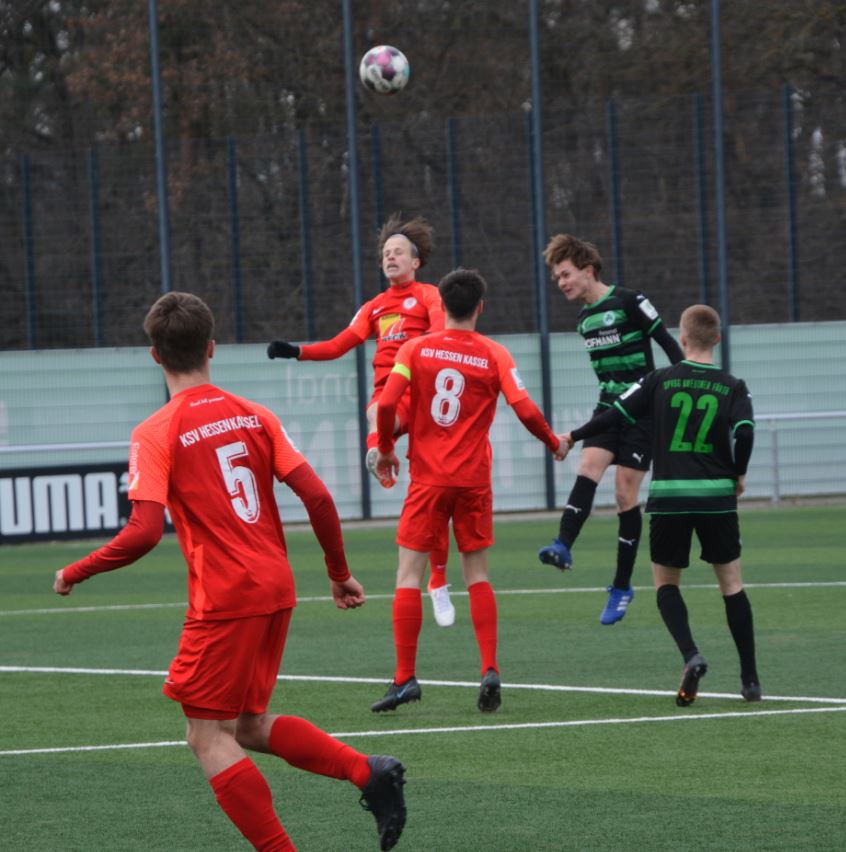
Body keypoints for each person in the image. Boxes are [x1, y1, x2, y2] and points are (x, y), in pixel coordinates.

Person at [53, 292, 407, 852]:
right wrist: (339, 572)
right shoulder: (255, 413)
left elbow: (144, 531)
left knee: (206, 737)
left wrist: (78, 568)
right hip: (275, 588)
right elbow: (316, 496)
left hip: (225, 598)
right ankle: (369, 772)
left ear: (154, 356)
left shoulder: (156, 431)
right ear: (211, 348)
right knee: (245, 724)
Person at [370, 268, 566, 714]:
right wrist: (554, 444)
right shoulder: (495, 353)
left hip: (428, 481)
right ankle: (489, 667)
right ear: (480, 306)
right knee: (478, 575)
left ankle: (404, 679)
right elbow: (526, 409)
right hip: (474, 480)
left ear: (442, 303)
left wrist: (384, 449)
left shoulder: (416, 348)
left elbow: (385, 404)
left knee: (408, 577)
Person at [559, 304, 760, 705]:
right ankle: (751, 681)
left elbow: (614, 415)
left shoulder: (658, 381)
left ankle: (691, 654)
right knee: (732, 585)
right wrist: (738, 473)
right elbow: (746, 433)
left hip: (669, 498)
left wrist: (573, 435)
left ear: (683, 339)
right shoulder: (733, 385)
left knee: (666, 585)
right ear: (716, 339)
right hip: (715, 497)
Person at [267, 213, 456, 629]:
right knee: (378, 409)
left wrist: (418, 351)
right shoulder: (374, 306)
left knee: (435, 492)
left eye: (398, 252)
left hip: (425, 395)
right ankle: (381, 450)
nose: (390, 258)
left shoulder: (427, 296)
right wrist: (295, 351)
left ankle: (438, 580)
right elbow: (338, 345)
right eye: (386, 253)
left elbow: (441, 331)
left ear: (416, 261)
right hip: (392, 395)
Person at [537, 234, 684, 625]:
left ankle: (621, 586)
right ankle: (562, 545)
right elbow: (610, 378)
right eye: (557, 278)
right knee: (588, 470)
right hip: (610, 407)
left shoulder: (631, 301)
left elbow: (669, 346)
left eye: (566, 274)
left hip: (644, 412)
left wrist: (681, 382)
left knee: (624, 495)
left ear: (588, 270)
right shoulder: (584, 321)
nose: (562, 283)